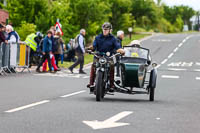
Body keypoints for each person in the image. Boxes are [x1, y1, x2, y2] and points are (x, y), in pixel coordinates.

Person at [87, 22, 124, 92]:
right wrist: (90, 49)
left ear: (110, 30)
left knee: (112, 65)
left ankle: (111, 85)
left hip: (108, 57)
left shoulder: (113, 39)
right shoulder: (98, 37)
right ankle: (91, 83)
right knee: (93, 65)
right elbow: (94, 46)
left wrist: (121, 50)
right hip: (98, 56)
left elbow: (117, 47)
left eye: (106, 29)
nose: (105, 31)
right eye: (104, 29)